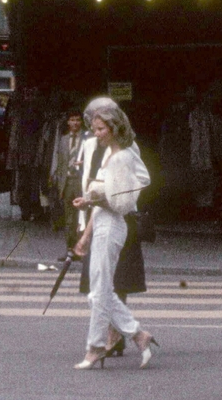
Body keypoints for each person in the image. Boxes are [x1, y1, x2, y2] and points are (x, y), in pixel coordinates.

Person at [71, 97, 157, 370]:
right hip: (100, 221)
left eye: (99, 128)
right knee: (98, 291)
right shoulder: (103, 149)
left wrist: (103, 198)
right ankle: (138, 334)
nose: (94, 133)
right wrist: (93, 203)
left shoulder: (123, 154)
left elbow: (135, 187)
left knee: (99, 291)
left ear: (114, 127)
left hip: (112, 223)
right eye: (93, 127)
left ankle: (95, 347)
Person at [51, 111, 87, 252]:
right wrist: (60, 184)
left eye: (78, 120)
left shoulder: (87, 139)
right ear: (68, 122)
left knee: (82, 217)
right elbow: (61, 164)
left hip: (80, 181)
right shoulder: (63, 139)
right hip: (67, 182)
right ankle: (70, 250)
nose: (75, 123)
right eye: (72, 120)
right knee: (69, 219)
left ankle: (82, 250)